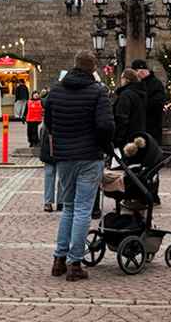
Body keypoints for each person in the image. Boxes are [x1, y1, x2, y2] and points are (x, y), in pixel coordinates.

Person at [44, 49, 114, 281]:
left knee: (69, 207)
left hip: (64, 156)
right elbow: (106, 125)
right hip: (89, 155)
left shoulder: (56, 90)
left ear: (74, 65)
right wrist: (105, 145)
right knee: (83, 209)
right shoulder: (98, 91)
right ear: (93, 68)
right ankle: (75, 262)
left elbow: (48, 123)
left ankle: (59, 259)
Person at [132, 59, 167, 144]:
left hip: (152, 127)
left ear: (140, 71)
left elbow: (158, 104)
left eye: (135, 72)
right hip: (140, 128)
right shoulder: (138, 84)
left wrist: (141, 105)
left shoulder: (156, 84)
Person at [113, 68, 147, 147]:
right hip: (138, 136)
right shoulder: (140, 94)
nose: (121, 80)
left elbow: (122, 118)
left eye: (122, 78)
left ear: (127, 80)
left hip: (126, 138)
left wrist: (118, 139)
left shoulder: (125, 95)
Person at [39, 118, 59, 211]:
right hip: (49, 150)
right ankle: (48, 202)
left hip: (62, 149)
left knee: (62, 176)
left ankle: (60, 201)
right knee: (50, 174)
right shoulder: (46, 124)